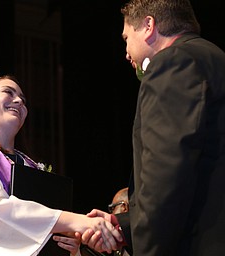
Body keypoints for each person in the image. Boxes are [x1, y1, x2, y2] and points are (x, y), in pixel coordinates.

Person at [81, 0, 225, 255]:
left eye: (126, 38)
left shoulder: (173, 62)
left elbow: (167, 173)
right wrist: (122, 226)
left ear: (148, 26)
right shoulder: (214, 58)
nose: (126, 52)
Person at [0, 68, 123, 256]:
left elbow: (39, 225)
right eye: (8, 92)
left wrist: (68, 246)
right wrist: (76, 222)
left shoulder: (28, 165)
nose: (19, 101)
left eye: (23, 100)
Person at [54, 187, 130, 256]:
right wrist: (76, 252)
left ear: (124, 207)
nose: (111, 213)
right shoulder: (116, 246)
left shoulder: (137, 240)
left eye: (113, 208)